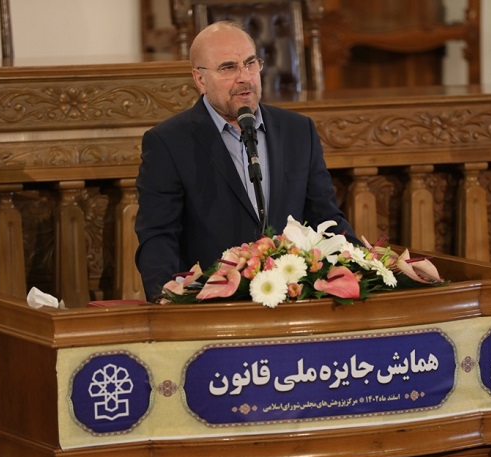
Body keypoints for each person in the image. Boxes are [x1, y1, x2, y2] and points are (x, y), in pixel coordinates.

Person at [135, 20, 357, 301]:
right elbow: (158, 236)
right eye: (228, 68)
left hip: (292, 299)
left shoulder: (298, 131)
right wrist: (166, 298)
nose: (245, 77)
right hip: (212, 306)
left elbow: (325, 217)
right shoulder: (169, 142)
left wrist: (362, 265)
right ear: (200, 79)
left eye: (251, 63)